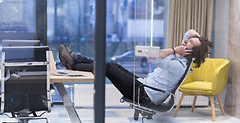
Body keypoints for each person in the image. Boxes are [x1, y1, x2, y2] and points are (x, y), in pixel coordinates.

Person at [59, 29, 213, 106]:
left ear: (190, 51)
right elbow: (190, 31)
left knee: (109, 68)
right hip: (143, 84)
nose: (186, 41)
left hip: (145, 94)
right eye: (189, 40)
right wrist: (199, 41)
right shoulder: (181, 56)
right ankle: (76, 61)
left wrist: (173, 49)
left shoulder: (179, 65)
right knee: (113, 65)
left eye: (190, 43)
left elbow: (154, 56)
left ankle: (75, 63)